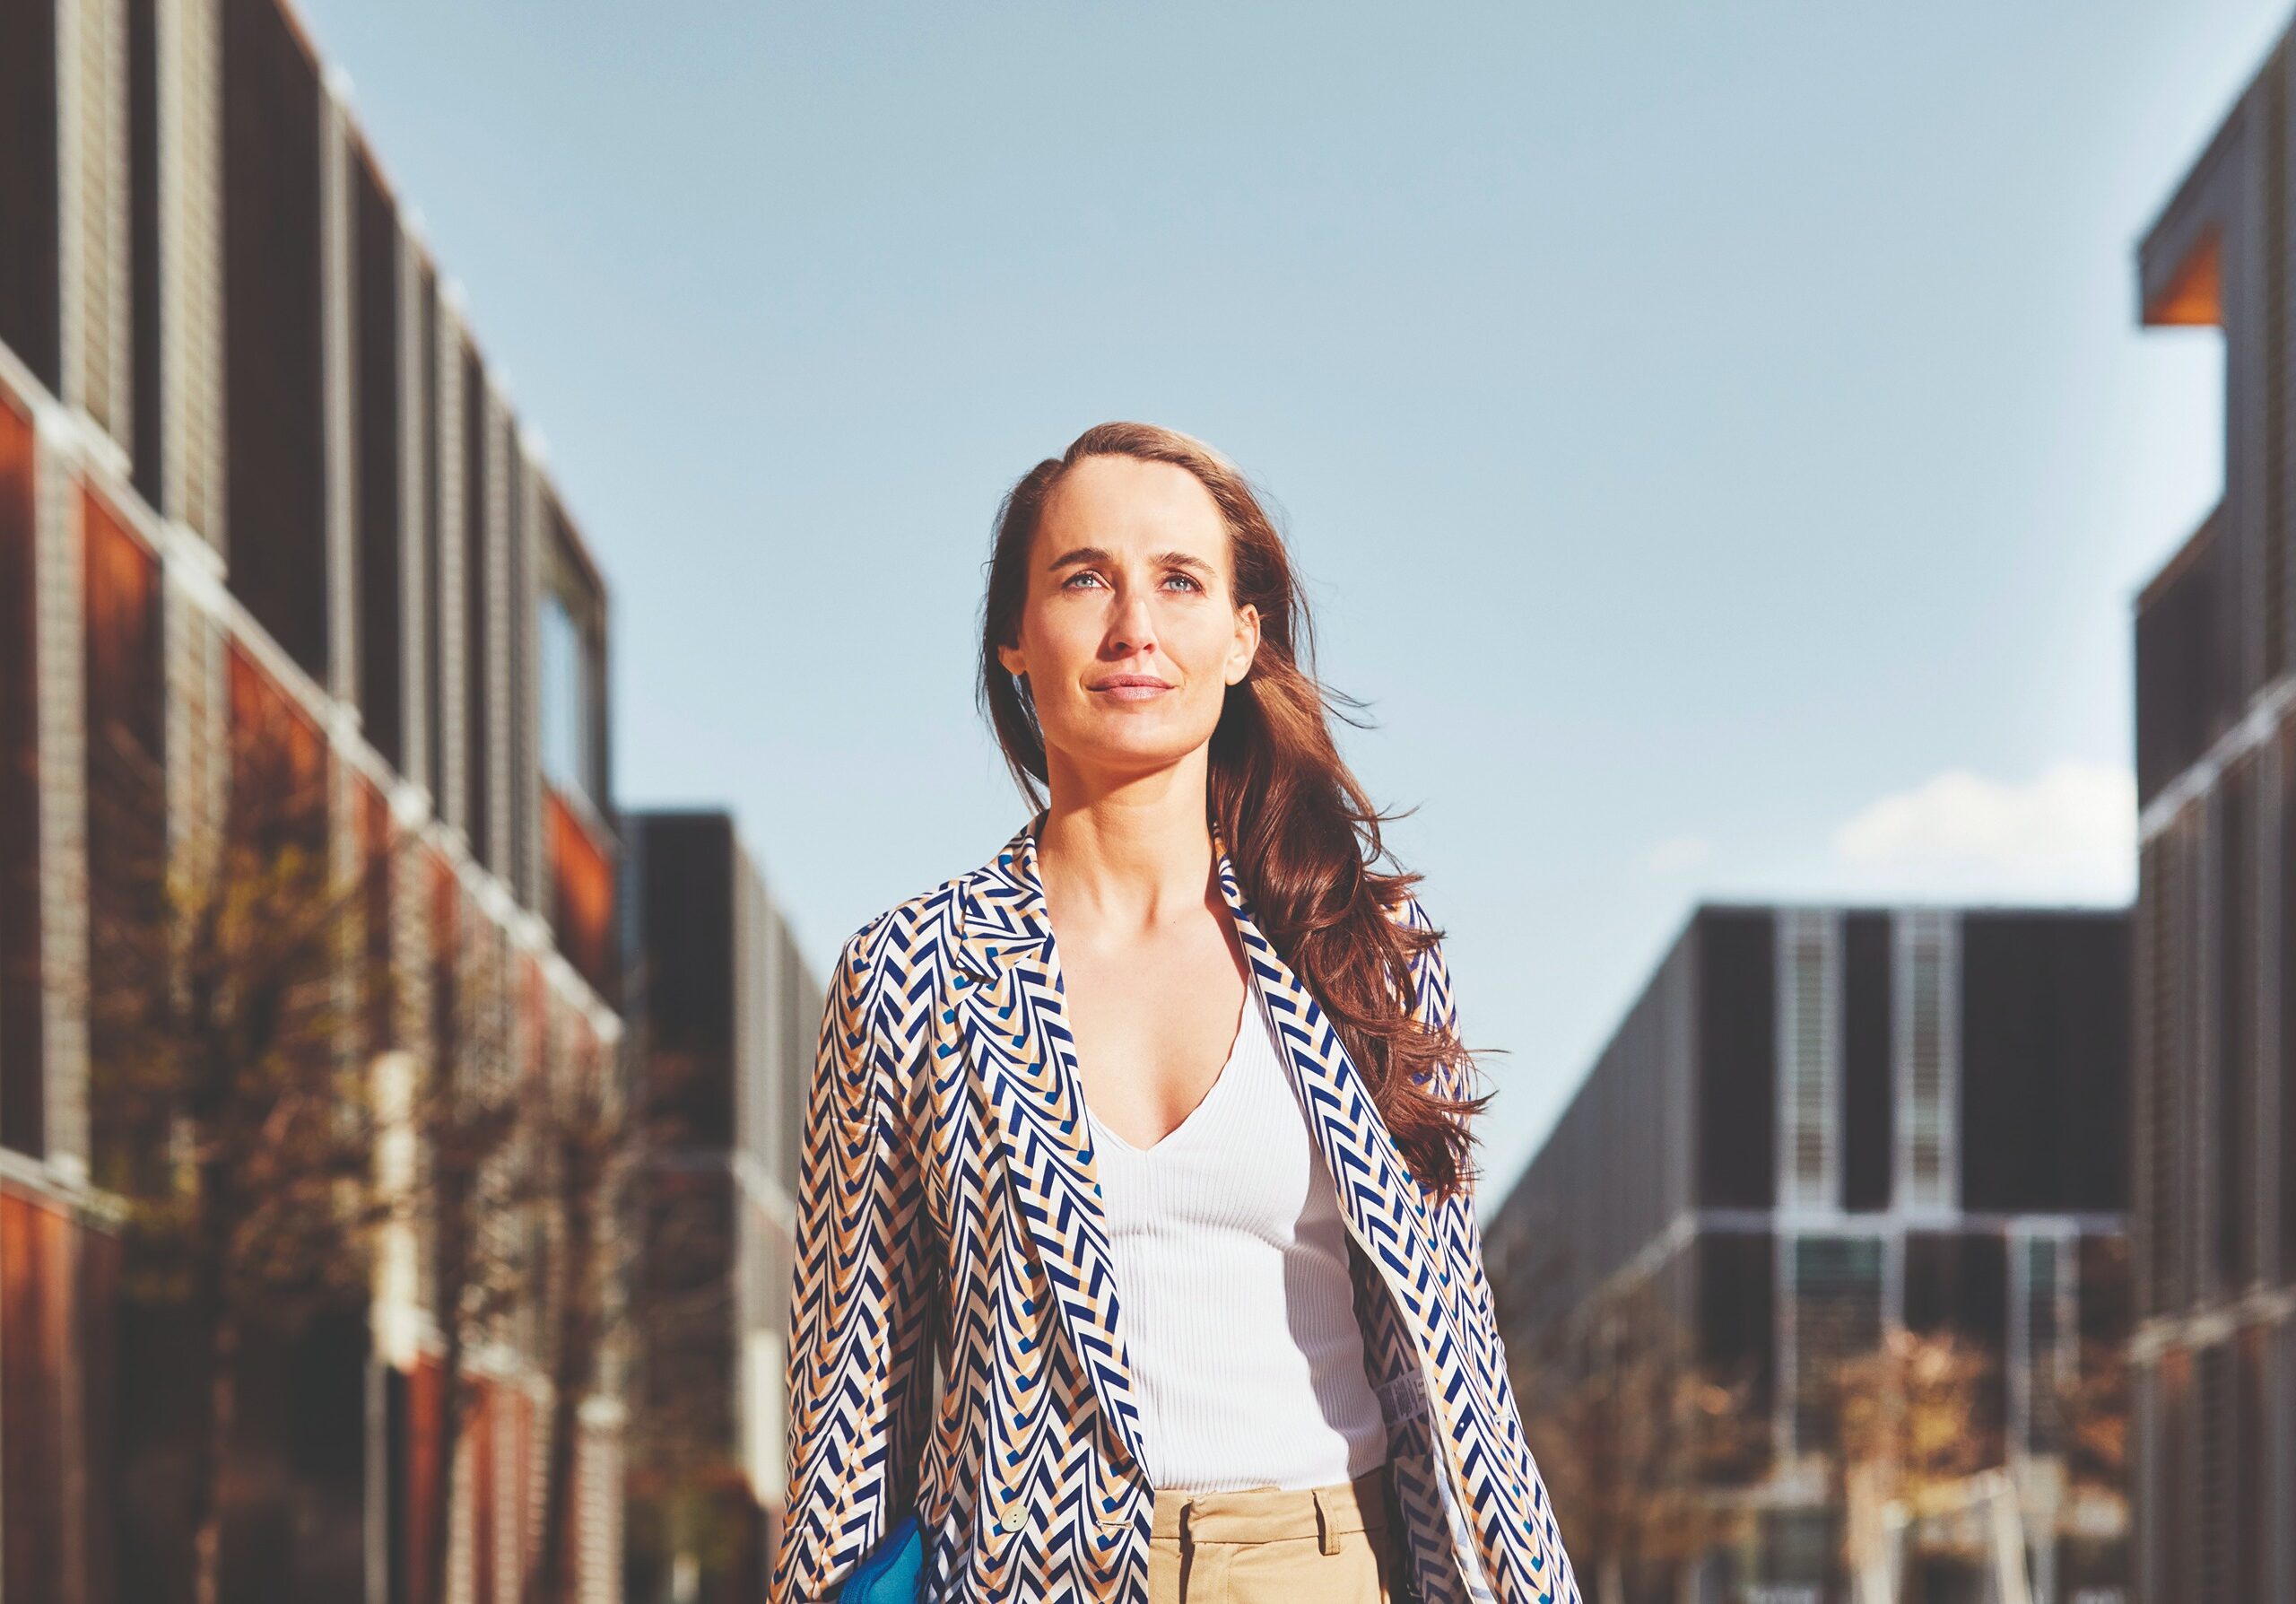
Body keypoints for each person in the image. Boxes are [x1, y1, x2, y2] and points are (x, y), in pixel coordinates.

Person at [770, 422, 1582, 1604]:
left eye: (1180, 581)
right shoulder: (909, 973)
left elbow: (1462, 1365)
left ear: (1244, 637)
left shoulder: (1361, 956)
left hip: (1327, 1567)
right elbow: (849, 1403)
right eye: (1084, 577)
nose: (1133, 626)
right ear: (1014, 637)